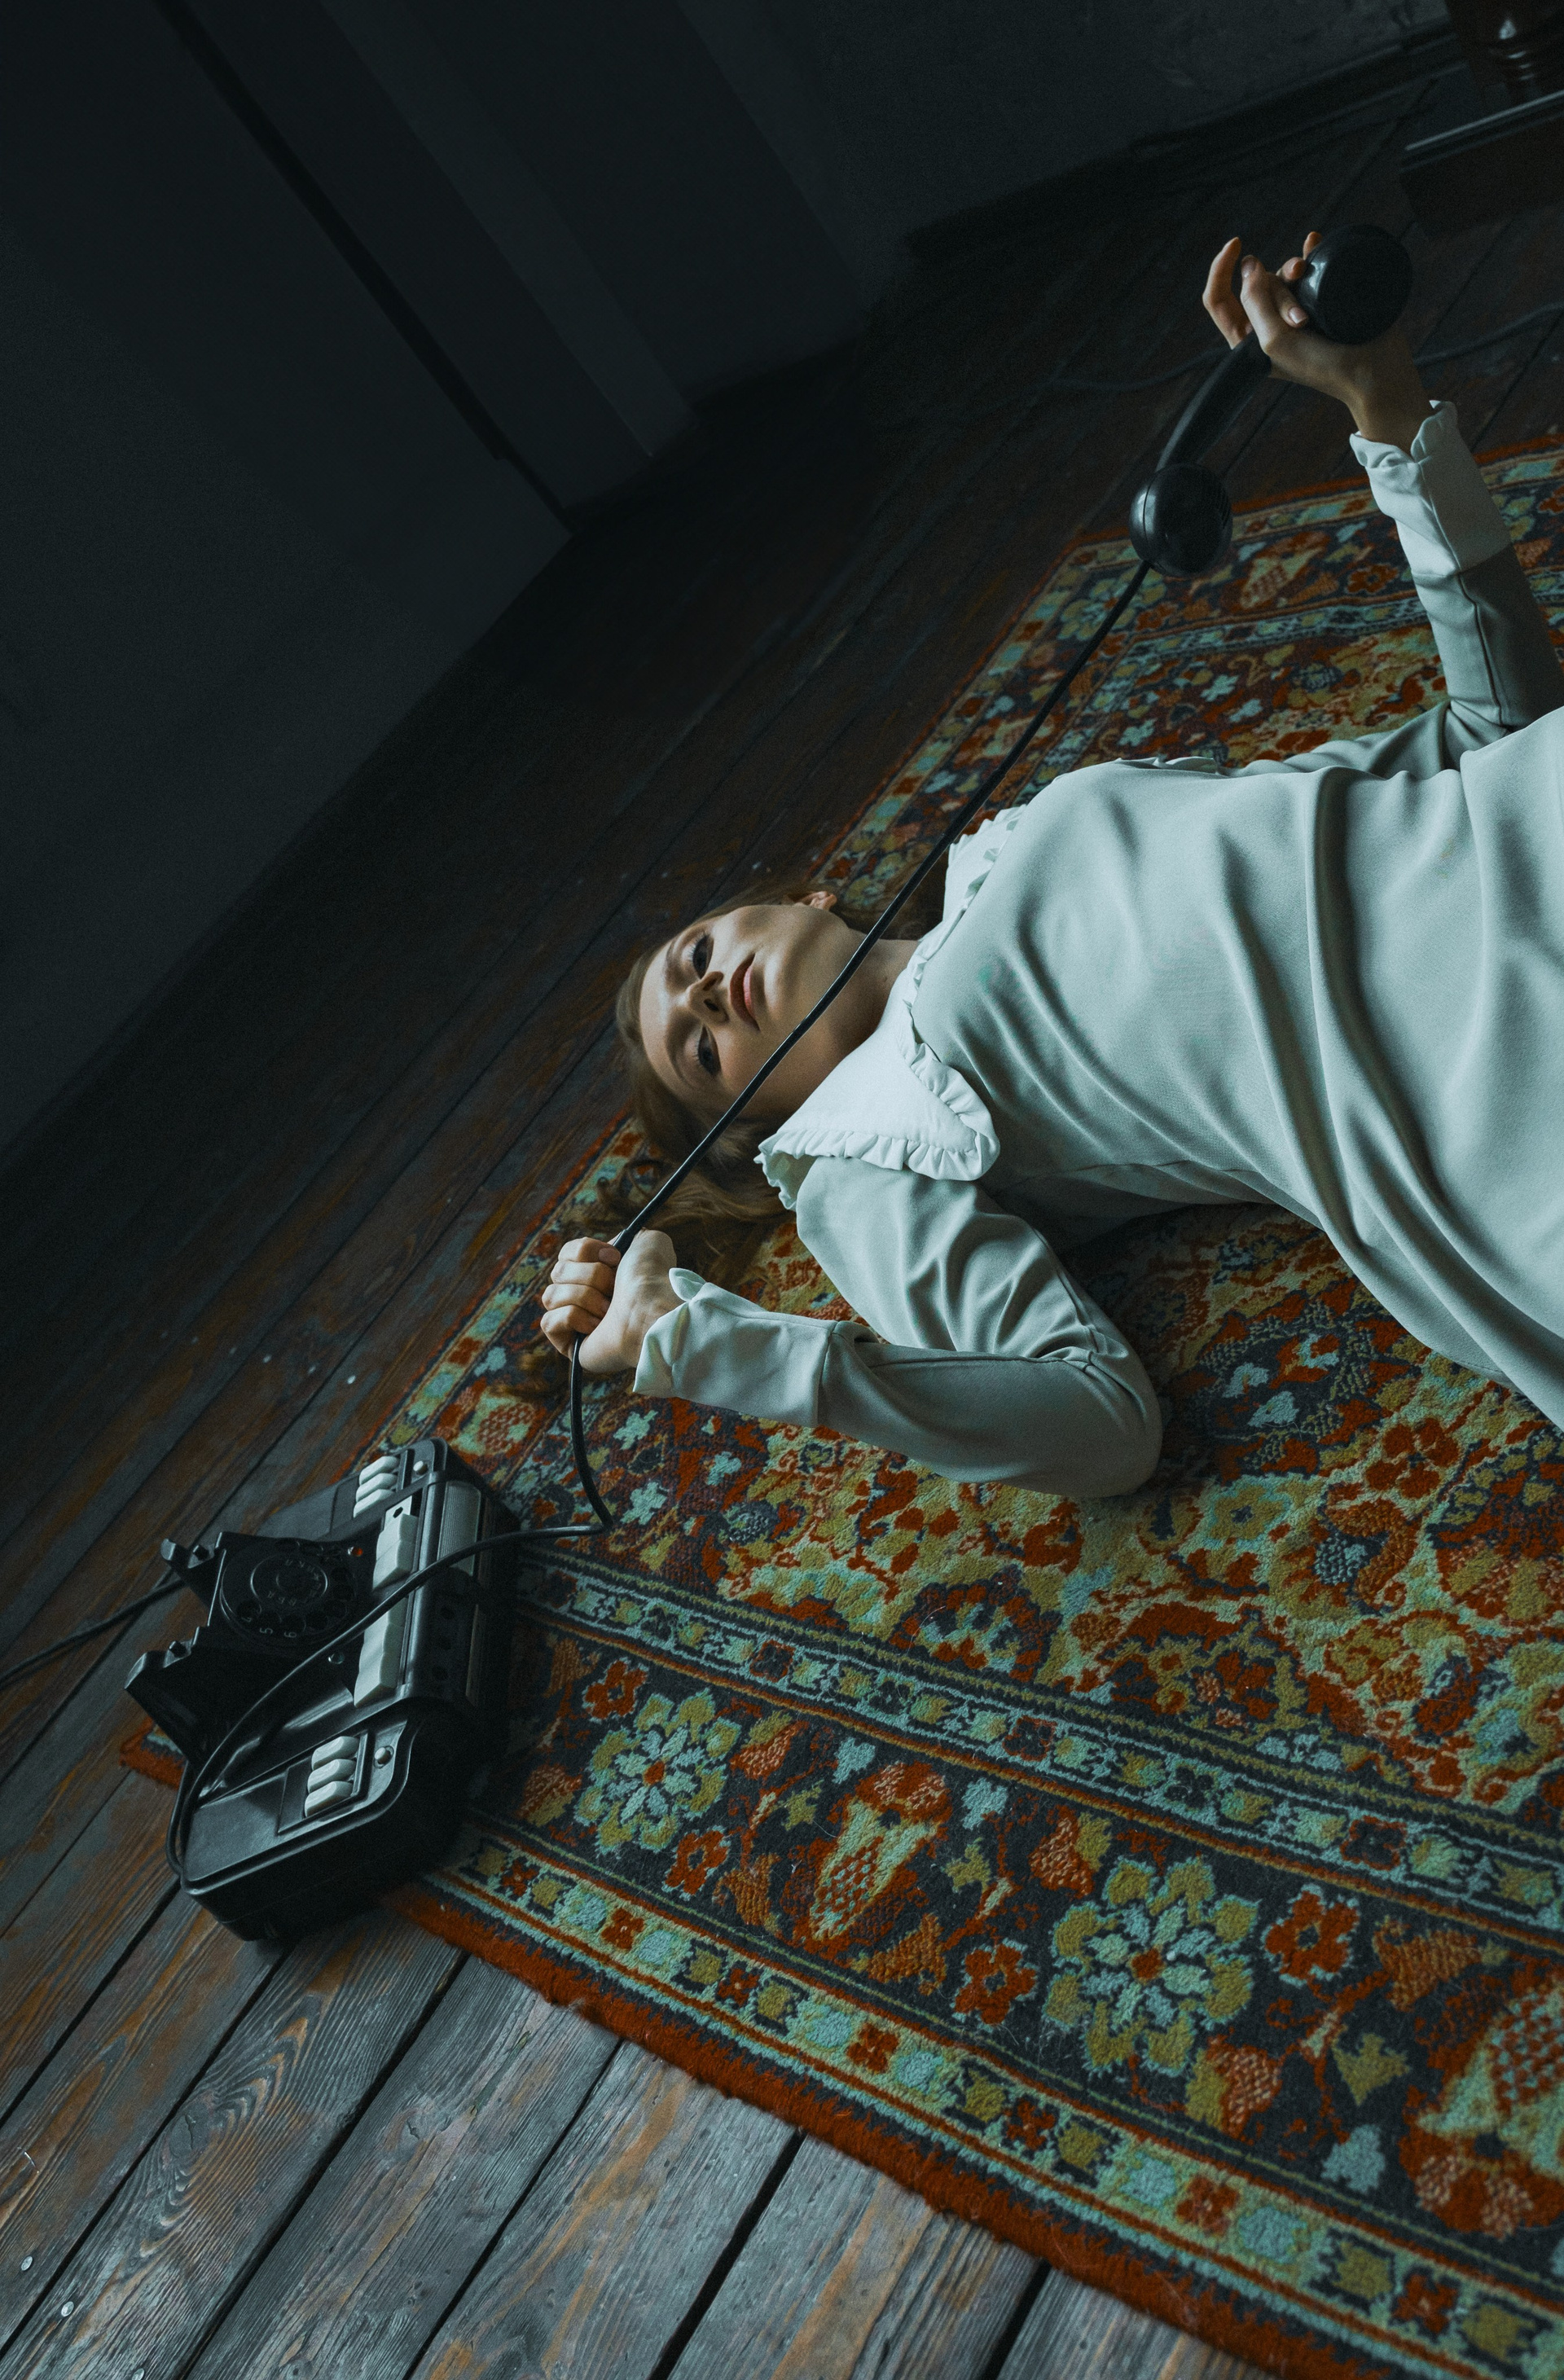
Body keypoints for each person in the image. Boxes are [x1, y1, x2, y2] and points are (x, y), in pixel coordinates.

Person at [539, 235, 1564, 1499]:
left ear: (802, 897)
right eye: (701, 1051)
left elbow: (1495, 730)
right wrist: (700, 1340)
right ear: (757, 1124)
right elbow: (1103, 1426)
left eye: (694, 957)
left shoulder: (1015, 838)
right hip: (1475, 1088)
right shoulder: (855, 1153)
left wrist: (1383, 402)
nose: (706, 994)